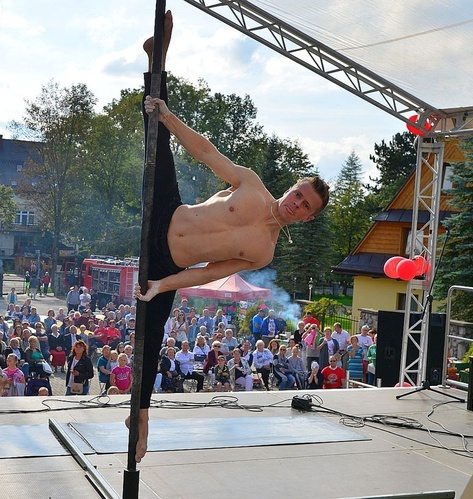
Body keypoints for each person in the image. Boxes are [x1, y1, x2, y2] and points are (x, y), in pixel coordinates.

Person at [128, 12, 329, 462]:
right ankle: (157, 59)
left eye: (305, 207)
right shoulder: (254, 186)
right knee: (157, 131)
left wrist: (162, 285)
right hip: (167, 210)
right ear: (291, 186)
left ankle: (140, 418)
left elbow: (209, 272)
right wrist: (169, 115)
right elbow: (205, 151)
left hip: (167, 263)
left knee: (153, 333)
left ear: (307, 218)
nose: (295, 204)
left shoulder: (262, 252)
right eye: (298, 194)